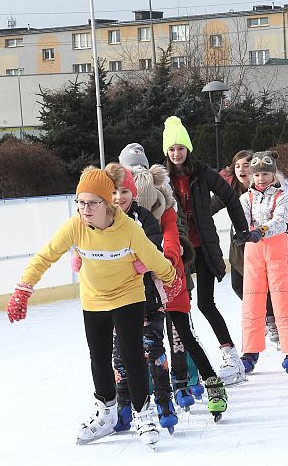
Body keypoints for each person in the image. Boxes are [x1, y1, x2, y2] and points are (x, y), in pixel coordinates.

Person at [5, 166, 176, 448]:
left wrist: (171, 279)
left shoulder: (129, 229)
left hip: (127, 297)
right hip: (94, 298)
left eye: (92, 203)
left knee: (133, 356)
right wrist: (24, 288)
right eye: (80, 202)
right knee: (99, 357)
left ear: (107, 203)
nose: (85, 209)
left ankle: (143, 414)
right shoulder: (75, 226)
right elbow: (45, 256)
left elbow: (155, 257)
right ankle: (106, 413)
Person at [127, 159, 228, 421]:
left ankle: (212, 383)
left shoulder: (166, 212)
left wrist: (166, 262)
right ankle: (137, 395)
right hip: (141, 290)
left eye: (145, 204)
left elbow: (171, 240)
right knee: (142, 342)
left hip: (170, 282)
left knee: (184, 336)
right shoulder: (124, 218)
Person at [162, 116, 254, 385]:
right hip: (176, 251)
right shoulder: (163, 178)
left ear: (188, 149)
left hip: (201, 248)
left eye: (180, 148)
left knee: (205, 303)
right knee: (180, 308)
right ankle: (188, 367)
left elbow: (230, 197)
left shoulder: (202, 173)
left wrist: (243, 231)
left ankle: (231, 358)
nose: (176, 154)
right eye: (171, 149)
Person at [103, 164, 180, 433]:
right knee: (120, 356)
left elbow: (153, 243)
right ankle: (124, 406)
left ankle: (163, 401)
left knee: (152, 349)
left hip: (148, 299)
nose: (119, 197)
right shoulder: (104, 221)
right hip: (116, 300)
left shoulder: (143, 217)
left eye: (124, 191)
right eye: (113, 192)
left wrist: (140, 261)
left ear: (133, 194)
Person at [239, 150, 288, 374]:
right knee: (252, 300)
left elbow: (281, 220)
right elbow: (241, 217)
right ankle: (250, 350)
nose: (261, 179)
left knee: (282, 298)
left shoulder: (282, 196)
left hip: (276, 250)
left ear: (273, 174)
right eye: (257, 175)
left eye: (266, 174)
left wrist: (261, 230)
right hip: (253, 251)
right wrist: (243, 232)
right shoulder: (246, 197)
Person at [216, 150, 279, 346]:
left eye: (245, 165)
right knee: (237, 285)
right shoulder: (231, 190)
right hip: (239, 248)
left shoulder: (268, 190)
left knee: (265, 287)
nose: (241, 169)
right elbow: (209, 206)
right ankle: (263, 315)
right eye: (237, 166)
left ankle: (271, 321)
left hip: (261, 245)